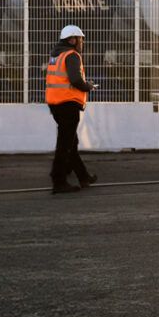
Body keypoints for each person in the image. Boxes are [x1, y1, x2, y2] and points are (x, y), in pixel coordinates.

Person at [45, 24, 97, 194]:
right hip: (68, 104)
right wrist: (88, 86)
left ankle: (83, 176)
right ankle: (58, 181)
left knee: (71, 143)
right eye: (80, 39)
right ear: (72, 40)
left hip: (56, 104)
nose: (82, 42)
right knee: (65, 145)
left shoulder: (56, 55)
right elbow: (75, 80)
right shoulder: (72, 55)